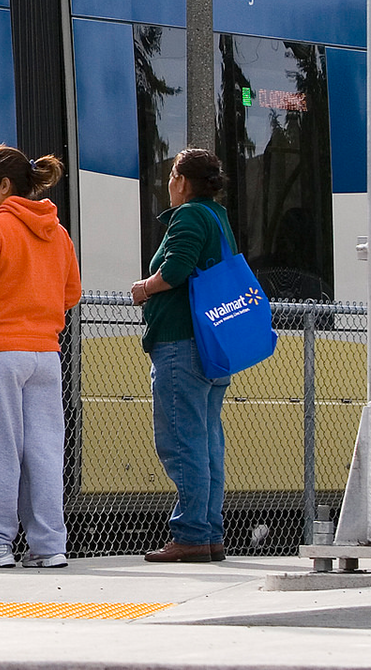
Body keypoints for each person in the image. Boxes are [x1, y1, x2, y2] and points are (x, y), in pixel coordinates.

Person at [0, 145, 81, 569]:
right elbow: (71, 294)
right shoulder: (57, 233)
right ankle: (48, 546)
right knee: (42, 452)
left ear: (5, 186)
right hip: (44, 355)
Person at [130, 148, 233, 564]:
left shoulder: (189, 216)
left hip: (181, 344)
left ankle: (190, 535)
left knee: (181, 441)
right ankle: (208, 533)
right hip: (212, 344)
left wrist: (144, 288)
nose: (168, 183)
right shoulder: (217, 216)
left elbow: (175, 271)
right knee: (207, 441)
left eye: (172, 175)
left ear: (182, 181)